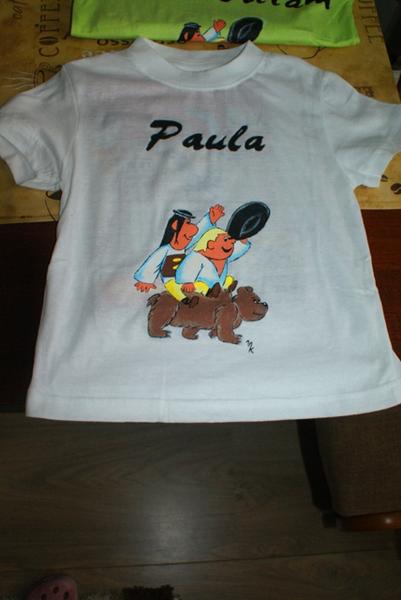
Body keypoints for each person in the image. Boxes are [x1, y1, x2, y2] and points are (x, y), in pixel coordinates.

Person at [134, 205, 224, 302]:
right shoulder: (164, 250)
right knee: (172, 286)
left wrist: (210, 219)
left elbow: (197, 235)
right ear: (175, 225)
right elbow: (153, 263)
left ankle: (209, 292)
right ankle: (186, 301)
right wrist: (145, 280)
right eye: (188, 223)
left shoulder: (184, 248)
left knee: (200, 284)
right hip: (171, 280)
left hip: (185, 280)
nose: (192, 228)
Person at [175, 227, 250, 296]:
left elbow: (239, 249)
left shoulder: (223, 258)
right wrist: (188, 282)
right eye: (225, 240)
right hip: (197, 293)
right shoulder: (196, 257)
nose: (232, 242)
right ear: (211, 244)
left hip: (216, 293)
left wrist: (243, 238)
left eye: (233, 242)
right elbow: (185, 270)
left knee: (229, 280)